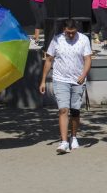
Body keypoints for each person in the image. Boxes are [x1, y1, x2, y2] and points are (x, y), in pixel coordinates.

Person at [39, 19, 92, 154]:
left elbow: (87, 59)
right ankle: (63, 142)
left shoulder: (84, 39)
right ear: (64, 30)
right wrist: (43, 80)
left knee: (75, 111)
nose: (70, 35)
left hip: (78, 80)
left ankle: (73, 136)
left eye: (73, 33)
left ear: (76, 30)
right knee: (63, 109)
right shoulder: (57, 40)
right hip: (60, 78)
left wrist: (84, 74)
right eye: (68, 33)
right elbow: (49, 59)